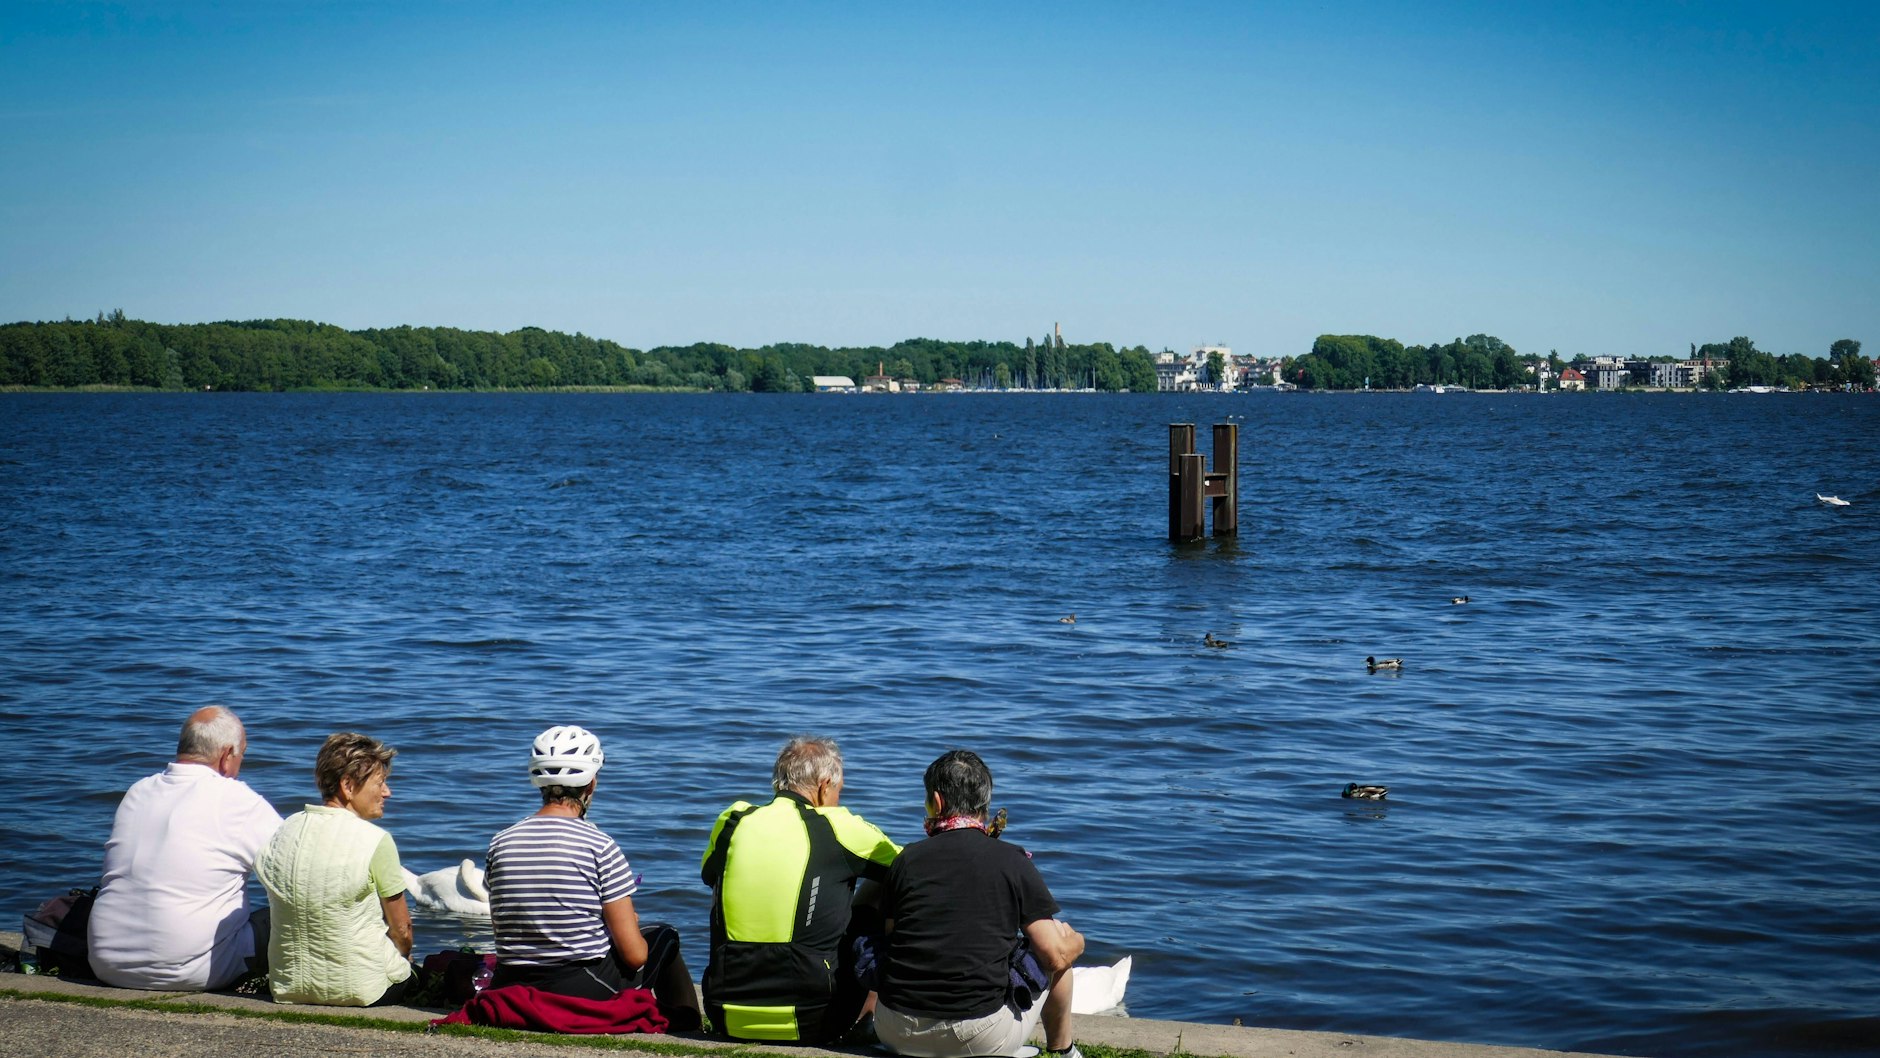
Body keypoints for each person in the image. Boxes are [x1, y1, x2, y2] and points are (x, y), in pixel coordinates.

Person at [484, 725, 703, 1028]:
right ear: (591, 783)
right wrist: (623, 927)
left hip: (510, 983)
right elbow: (635, 956)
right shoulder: (599, 846)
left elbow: (512, 922)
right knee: (664, 937)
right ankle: (689, 1025)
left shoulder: (501, 842)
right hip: (576, 988)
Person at [876, 749, 1085, 1058]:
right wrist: (1076, 942)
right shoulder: (1011, 860)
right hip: (976, 1038)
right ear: (985, 804)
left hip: (895, 1030)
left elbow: (891, 938)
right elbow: (1054, 956)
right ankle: (1062, 1051)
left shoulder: (906, 859)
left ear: (936, 802)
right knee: (1057, 945)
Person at [700, 736, 901, 1042]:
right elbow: (916, 871)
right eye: (839, 790)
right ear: (824, 786)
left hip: (726, 1013)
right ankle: (870, 1013)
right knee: (882, 883)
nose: (838, 800)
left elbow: (708, 875)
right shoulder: (839, 825)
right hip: (816, 1019)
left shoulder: (733, 819)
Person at [89, 706, 283, 990]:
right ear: (227, 755)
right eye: (242, 755)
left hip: (107, 963)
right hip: (193, 970)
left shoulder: (138, 792)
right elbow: (299, 869)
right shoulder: (237, 800)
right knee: (289, 916)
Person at [256, 732, 415, 1006]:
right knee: (413, 973)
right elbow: (402, 930)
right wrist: (403, 957)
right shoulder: (375, 840)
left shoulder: (284, 830)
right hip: (367, 990)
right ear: (348, 786)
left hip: (288, 986)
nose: (387, 792)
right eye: (380, 783)